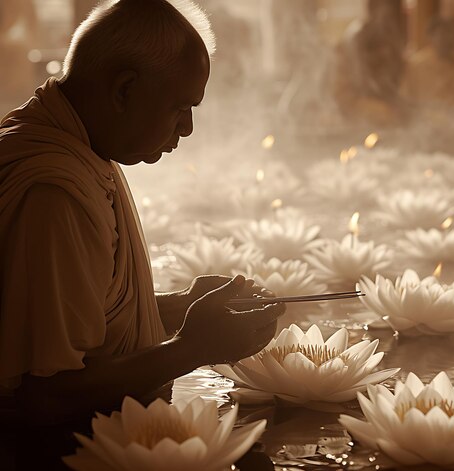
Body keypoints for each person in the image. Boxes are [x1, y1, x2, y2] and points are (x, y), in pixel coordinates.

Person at [0, 0, 284, 427]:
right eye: (179, 107)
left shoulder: (80, 145)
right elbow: (47, 395)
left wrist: (179, 307)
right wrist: (192, 348)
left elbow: (67, 313)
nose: (186, 128)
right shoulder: (54, 193)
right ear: (124, 90)